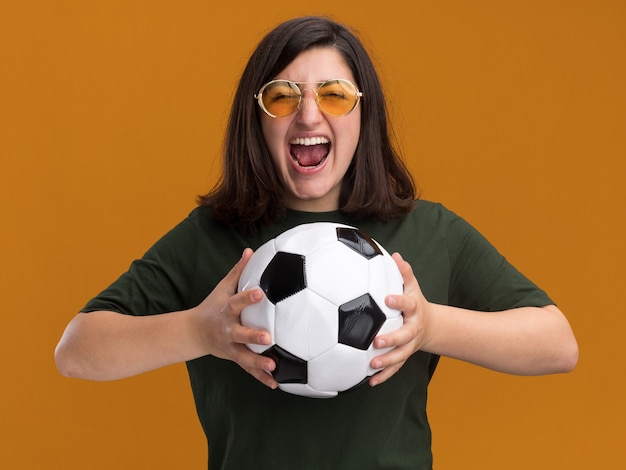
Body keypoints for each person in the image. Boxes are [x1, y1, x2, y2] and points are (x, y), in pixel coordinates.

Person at [55, 16, 578, 469]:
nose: (308, 116)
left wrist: (432, 326)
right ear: (255, 118)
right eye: (282, 97)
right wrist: (200, 331)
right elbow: (76, 351)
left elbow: (557, 343)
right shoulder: (213, 236)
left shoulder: (428, 231)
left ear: (362, 114)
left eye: (334, 95)